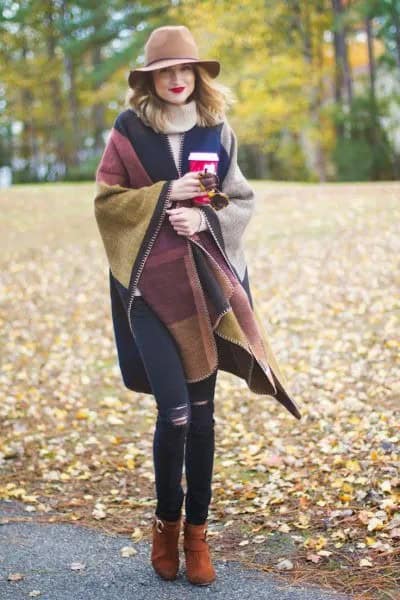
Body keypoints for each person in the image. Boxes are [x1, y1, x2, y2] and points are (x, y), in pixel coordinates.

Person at [94, 24, 301, 587]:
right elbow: (109, 204)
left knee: (204, 419)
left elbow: (239, 201)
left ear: (198, 77)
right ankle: (165, 524)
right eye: (167, 71)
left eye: (186, 70)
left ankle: (198, 535)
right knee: (175, 413)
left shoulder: (217, 131)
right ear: (151, 79)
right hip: (147, 292)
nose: (178, 80)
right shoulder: (128, 134)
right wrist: (166, 199)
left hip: (204, 292)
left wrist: (203, 215)